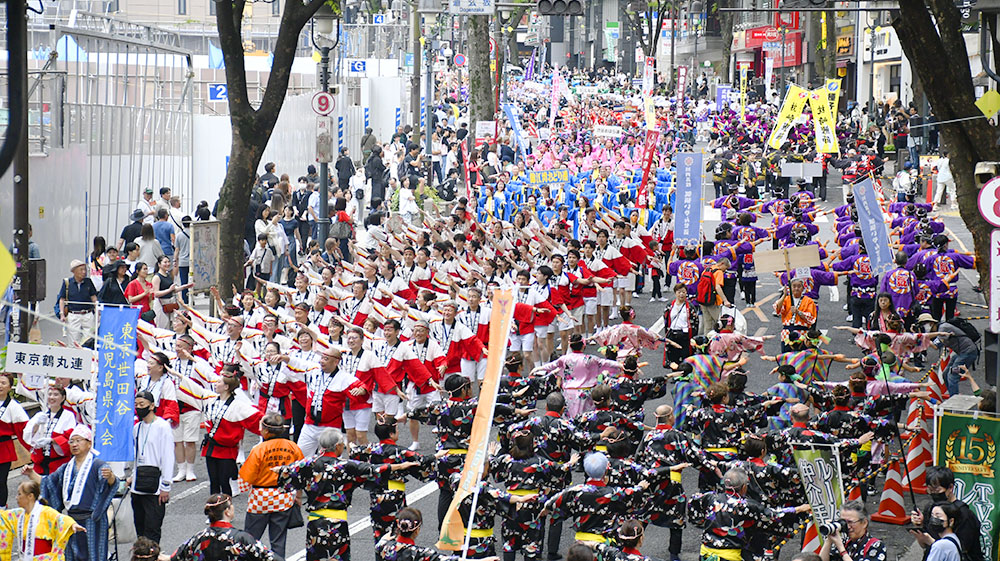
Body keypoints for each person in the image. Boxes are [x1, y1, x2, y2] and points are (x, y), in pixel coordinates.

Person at [275, 427, 417, 561]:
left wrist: (276, 470)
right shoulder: (345, 466)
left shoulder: (308, 464)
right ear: (337, 446)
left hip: (315, 524)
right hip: (337, 525)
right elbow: (373, 469)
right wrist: (400, 466)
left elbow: (285, 471)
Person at [24, 424, 118, 561]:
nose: (74, 444)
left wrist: (111, 477)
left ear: (89, 443)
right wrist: (31, 474)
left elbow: (111, 484)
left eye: (78, 440)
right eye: (71, 441)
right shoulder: (66, 468)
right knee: (71, 555)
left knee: (94, 556)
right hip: (71, 519)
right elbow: (48, 483)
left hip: (92, 520)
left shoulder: (99, 465)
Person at [238, 412, 304, 559]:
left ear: (266, 431)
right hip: (284, 498)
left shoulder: (259, 449)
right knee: (278, 540)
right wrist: (298, 495)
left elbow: (248, 476)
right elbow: (300, 473)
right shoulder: (292, 447)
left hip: (261, 498)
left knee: (250, 539)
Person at [202, 365, 263, 496]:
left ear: (226, 387)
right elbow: (194, 388)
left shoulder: (238, 405)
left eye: (219, 382)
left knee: (224, 482)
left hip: (227, 449)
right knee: (214, 482)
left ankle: (227, 507)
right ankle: (214, 508)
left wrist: (272, 425)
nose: (215, 384)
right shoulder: (211, 400)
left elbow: (256, 417)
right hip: (211, 446)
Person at [166, 494, 278, 561]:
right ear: (227, 511)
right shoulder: (241, 538)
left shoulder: (198, 537)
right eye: (231, 505)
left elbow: (175, 557)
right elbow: (269, 557)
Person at [910, 466, 984, 561]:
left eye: (937, 490)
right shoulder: (930, 508)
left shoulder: (964, 515)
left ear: (950, 488)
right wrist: (920, 526)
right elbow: (925, 545)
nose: (934, 494)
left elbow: (960, 552)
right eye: (930, 490)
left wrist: (932, 542)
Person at [0, 480, 85, 559]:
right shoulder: (18, 514)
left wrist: (72, 524)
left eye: (19, 494)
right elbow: (3, 517)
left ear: (30, 496)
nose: (16, 497)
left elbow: (61, 519)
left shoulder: (46, 512)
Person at [131, 391, 175, 543]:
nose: (138, 407)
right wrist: (132, 476)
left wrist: (166, 485)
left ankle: (153, 554)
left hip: (155, 486)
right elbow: (136, 455)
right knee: (140, 528)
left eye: (142, 404)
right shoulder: (137, 428)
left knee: (153, 528)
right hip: (138, 485)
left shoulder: (162, 426)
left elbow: (168, 457)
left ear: (151, 405)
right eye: (136, 405)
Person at [23, 385, 77, 475]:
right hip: (40, 463)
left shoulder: (68, 415)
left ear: (63, 398)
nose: (51, 397)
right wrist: (37, 424)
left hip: (58, 464)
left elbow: (69, 437)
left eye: (56, 394)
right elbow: (28, 435)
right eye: (49, 394)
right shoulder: (41, 415)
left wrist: (51, 440)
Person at [819, 500, 886, 561]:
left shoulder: (876, 546)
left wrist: (842, 551)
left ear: (864, 523)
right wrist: (829, 540)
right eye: (843, 522)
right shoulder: (844, 542)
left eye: (850, 522)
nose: (847, 526)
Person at [0, 372, 29, 506]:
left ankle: (2, 508)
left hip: (3, 449)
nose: (0, 386)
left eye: (3, 383)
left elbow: (24, 429)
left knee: (1, 481)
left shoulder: (13, 406)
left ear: (10, 387)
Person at [56, 260, 98, 343]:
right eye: (81, 270)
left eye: (85, 269)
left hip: (88, 314)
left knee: (89, 339)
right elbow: (62, 299)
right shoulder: (67, 282)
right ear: (74, 271)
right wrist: (62, 314)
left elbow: (93, 296)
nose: (84, 272)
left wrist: (97, 310)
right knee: (73, 339)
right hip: (73, 314)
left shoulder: (88, 282)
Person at [698, 258, 730, 336]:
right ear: (722, 263)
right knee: (719, 323)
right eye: (725, 268)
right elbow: (717, 287)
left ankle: (706, 341)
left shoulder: (707, 270)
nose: (725, 271)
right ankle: (718, 341)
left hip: (703, 299)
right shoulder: (719, 272)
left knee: (707, 323)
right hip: (714, 301)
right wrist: (725, 300)